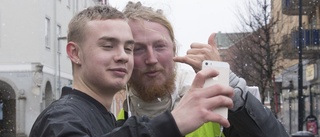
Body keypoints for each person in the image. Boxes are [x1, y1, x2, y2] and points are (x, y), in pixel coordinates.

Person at [29, 4, 234, 137]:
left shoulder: (104, 117)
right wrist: (173, 123)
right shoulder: (61, 118)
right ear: (75, 53)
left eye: (128, 48)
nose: (122, 56)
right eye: (108, 46)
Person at [117, 1, 289, 137]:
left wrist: (232, 87)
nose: (151, 59)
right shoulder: (118, 121)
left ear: (174, 50)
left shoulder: (212, 102)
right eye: (138, 49)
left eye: (160, 46)